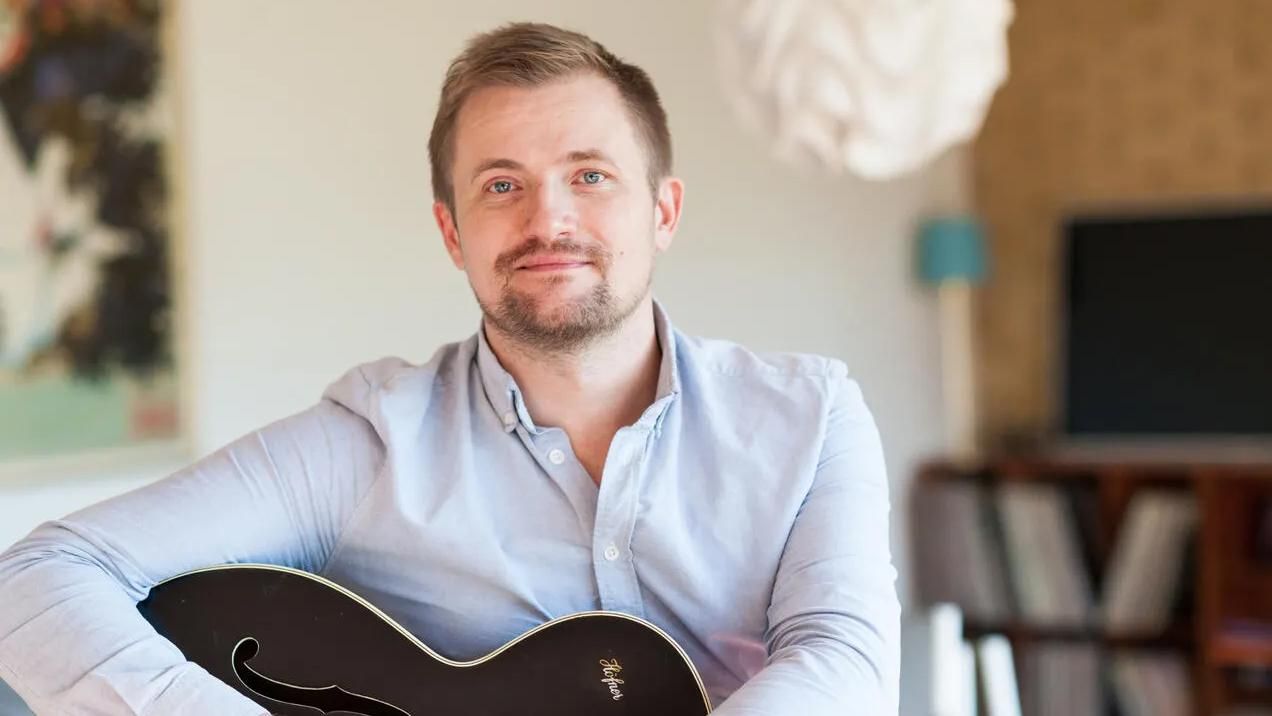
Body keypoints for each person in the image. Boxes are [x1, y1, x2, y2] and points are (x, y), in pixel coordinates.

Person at [0, 22, 900, 715]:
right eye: (502, 185)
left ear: (663, 211)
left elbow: (845, 659)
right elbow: (36, 577)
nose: (548, 221)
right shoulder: (370, 443)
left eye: (590, 176)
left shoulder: (811, 418)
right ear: (452, 232)